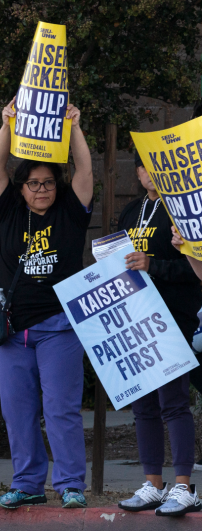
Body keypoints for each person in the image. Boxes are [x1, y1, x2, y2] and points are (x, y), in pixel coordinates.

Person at [0, 99, 94, 509]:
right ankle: (28, 483)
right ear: (22, 188)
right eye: (33, 183)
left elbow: (84, 171)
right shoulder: (10, 213)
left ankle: (70, 485)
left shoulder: (70, 211)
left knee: (61, 410)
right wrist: (6, 125)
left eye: (49, 182)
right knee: (17, 413)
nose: (42, 190)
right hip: (14, 332)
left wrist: (75, 128)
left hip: (59, 329)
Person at [115, 154, 201, 516]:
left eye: (159, 168)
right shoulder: (130, 212)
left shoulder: (185, 213)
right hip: (135, 318)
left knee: (174, 401)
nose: (152, 174)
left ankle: (184, 486)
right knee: (143, 405)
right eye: (145, 167)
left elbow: (194, 271)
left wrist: (155, 265)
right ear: (137, 173)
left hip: (173, 316)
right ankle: (152, 483)